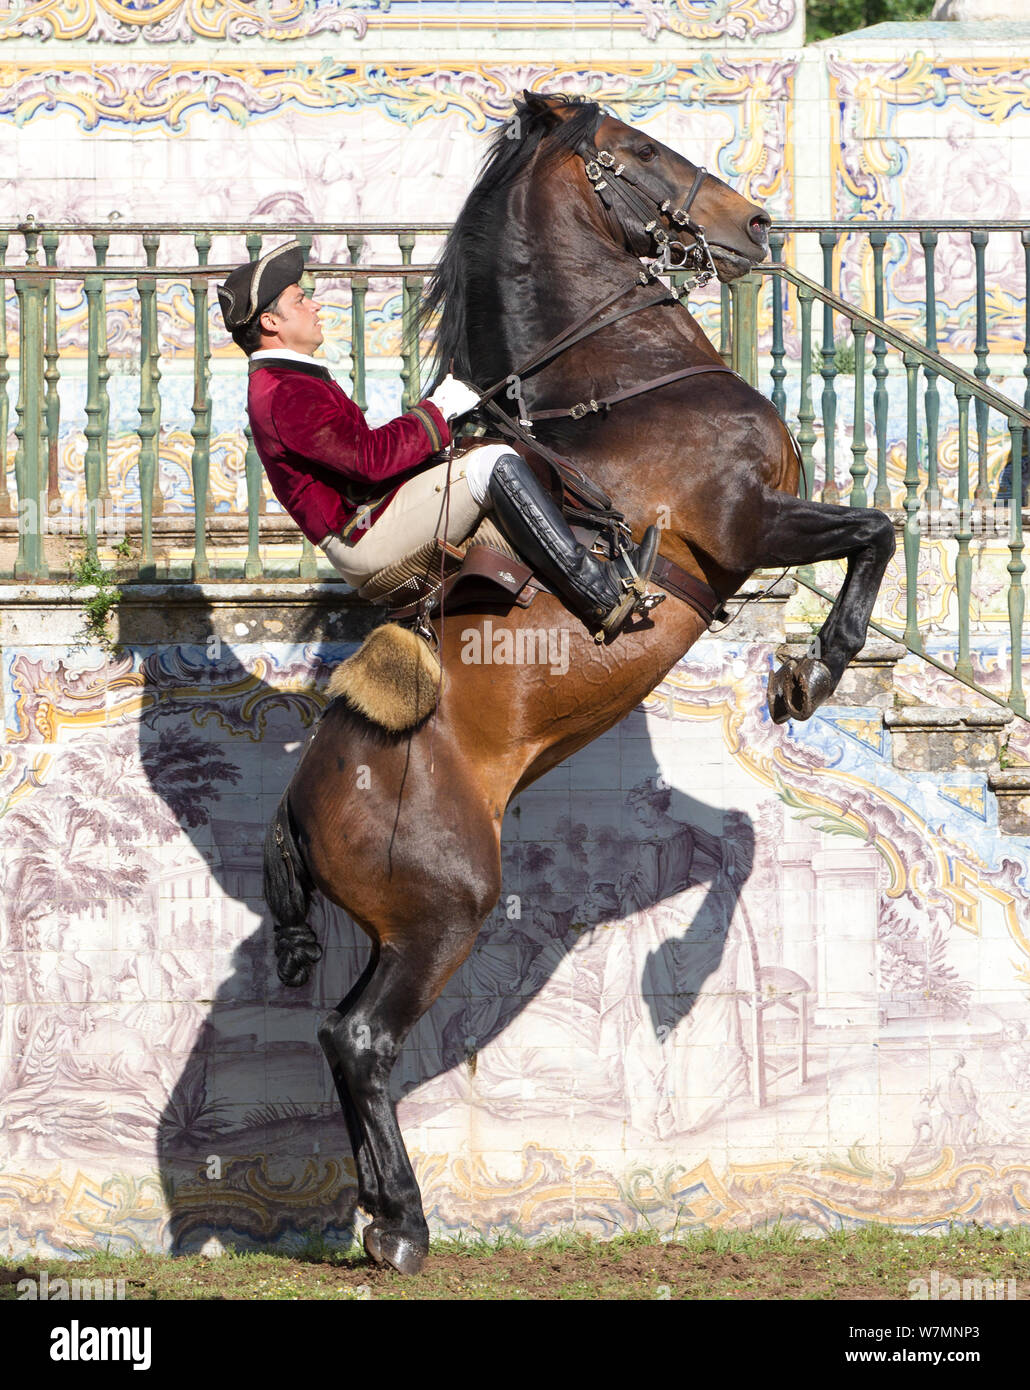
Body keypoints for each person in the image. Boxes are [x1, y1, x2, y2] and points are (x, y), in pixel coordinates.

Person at [216, 239, 661, 638]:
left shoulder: (290, 380)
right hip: (361, 535)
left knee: (483, 450)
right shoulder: (285, 391)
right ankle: (600, 592)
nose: (316, 306)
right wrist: (438, 410)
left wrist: (443, 420)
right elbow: (367, 460)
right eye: (301, 299)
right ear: (271, 321)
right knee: (492, 466)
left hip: (369, 516)